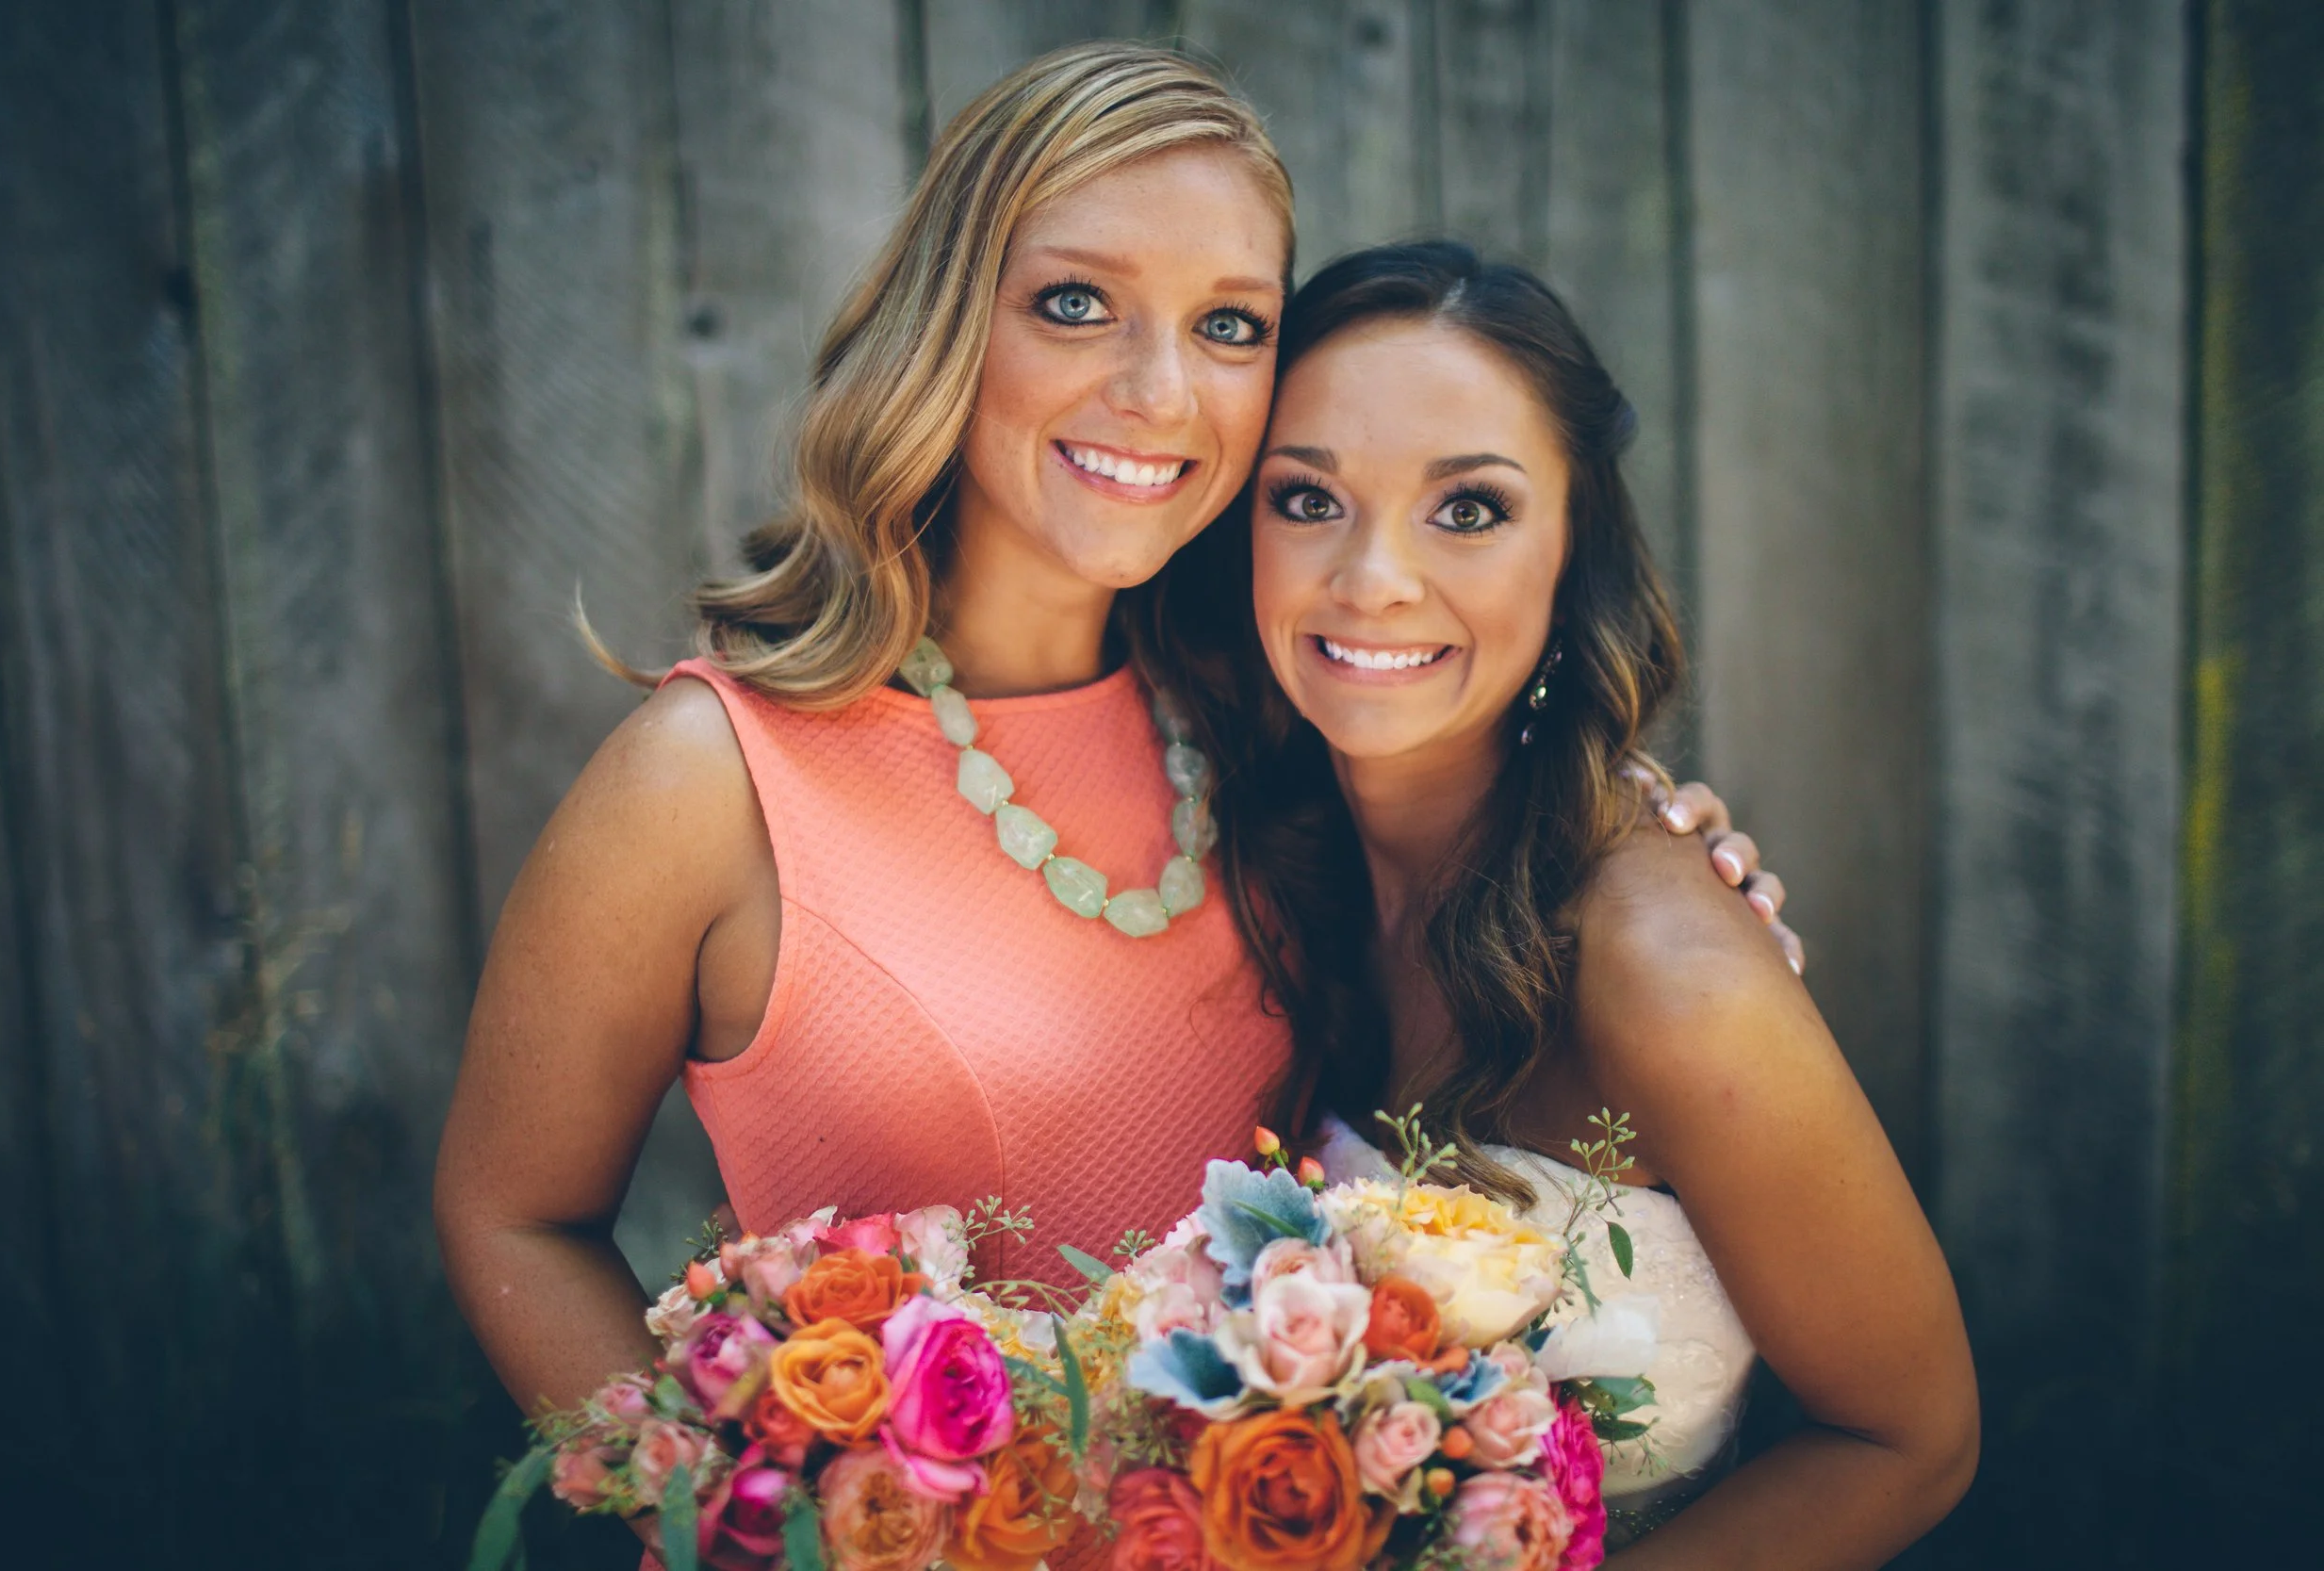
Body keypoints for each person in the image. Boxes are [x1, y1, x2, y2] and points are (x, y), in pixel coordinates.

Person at [432, 44, 1792, 1555]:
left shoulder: (1271, 708)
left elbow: (1493, 856)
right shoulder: (711, 777)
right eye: (1075, 304)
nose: (1157, 393)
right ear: (952, 319)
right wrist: (719, 1525)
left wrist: (1653, 843)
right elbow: (513, 1212)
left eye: (1228, 326)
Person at [1156, 240, 1976, 1563]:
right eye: (1307, 499)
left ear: (1572, 544)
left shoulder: (1663, 963)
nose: (1372, 577)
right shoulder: (1269, 849)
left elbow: (1910, 1438)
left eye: (1467, 509)